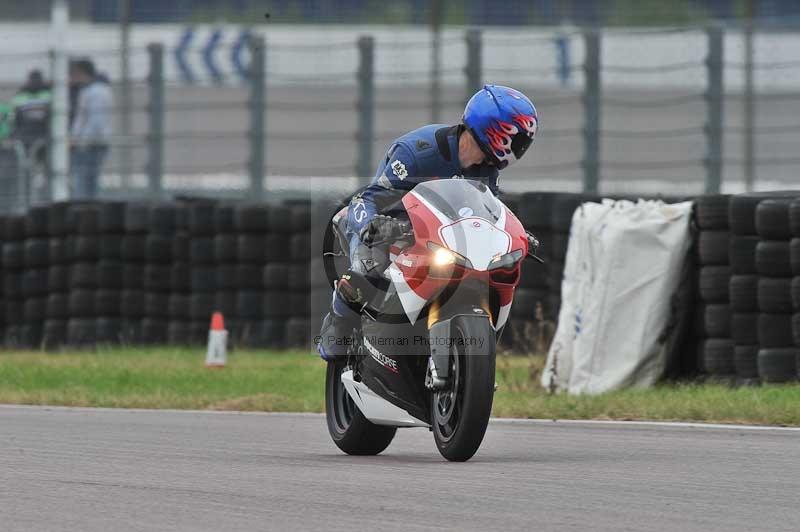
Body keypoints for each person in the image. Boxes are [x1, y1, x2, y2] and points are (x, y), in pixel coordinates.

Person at [317, 84, 539, 361]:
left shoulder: (487, 170)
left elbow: (488, 208)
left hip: (436, 235)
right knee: (367, 267)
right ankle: (338, 324)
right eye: (518, 138)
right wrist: (371, 226)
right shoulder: (419, 150)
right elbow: (371, 197)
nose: (520, 147)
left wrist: (514, 233)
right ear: (495, 130)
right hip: (388, 222)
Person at [69, 58, 112, 199]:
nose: (72, 78)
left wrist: (81, 141)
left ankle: (86, 209)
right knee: (86, 181)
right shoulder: (88, 91)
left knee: (84, 183)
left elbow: (95, 121)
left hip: (91, 144)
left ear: (82, 73)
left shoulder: (97, 92)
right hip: (88, 144)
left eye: (74, 74)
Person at [11, 70, 51, 154]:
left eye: (37, 80)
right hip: (24, 133)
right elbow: (15, 117)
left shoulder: (48, 94)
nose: (34, 82)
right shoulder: (20, 95)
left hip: (43, 133)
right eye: (33, 80)